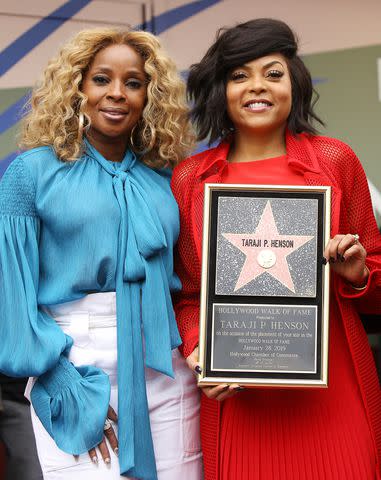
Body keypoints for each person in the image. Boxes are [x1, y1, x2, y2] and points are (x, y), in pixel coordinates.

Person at [171, 18, 381, 480]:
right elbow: (187, 295)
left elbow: (377, 286)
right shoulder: (192, 179)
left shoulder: (334, 161)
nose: (256, 87)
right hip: (240, 404)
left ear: (294, 84)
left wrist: (358, 274)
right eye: (239, 75)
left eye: (272, 72)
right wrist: (197, 350)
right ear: (220, 90)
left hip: (334, 398)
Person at [0, 27, 203, 480]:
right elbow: (11, 299)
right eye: (100, 79)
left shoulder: (167, 178)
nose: (117, 94)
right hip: (75, 363)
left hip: (165, 369)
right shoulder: (30, 174)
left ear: (149, 95)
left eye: (133, 82)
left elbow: (190, 282)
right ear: (76, 86)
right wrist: (61, 380)